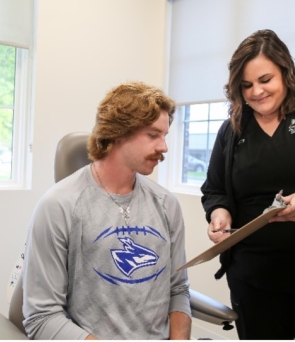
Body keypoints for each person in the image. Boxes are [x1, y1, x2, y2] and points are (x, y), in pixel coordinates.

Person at [201, 29, 295, 340]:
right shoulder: (232, 129)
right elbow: (214, 190)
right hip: (253, 280)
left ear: (286, 71)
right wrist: (219, 214)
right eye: (246, 85)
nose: (256, 92)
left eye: (265, 80)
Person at [22, 81, 192, 340]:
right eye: (152, 135)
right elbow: (41, 317)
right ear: (118, 132)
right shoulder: (58, 206)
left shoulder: (166, 204)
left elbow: (178, 290)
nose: (164, 147)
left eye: (165, 135)